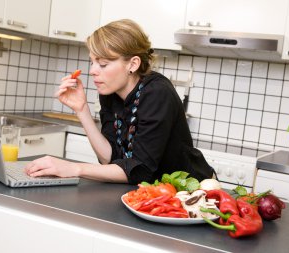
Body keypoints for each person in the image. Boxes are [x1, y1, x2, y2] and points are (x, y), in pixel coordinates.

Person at [25, 19, 214, 184]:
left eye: (103, 64)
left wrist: (74, 168)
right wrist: (81, 109)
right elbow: (111, 159)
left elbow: (140, 169)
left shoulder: (157, 93)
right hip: (149, 193)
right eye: (92, 62)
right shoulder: (110, 92)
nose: (92, 71)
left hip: (190, 190)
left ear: (132, 64)